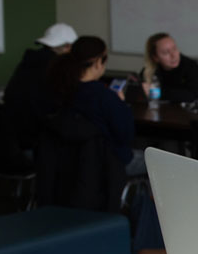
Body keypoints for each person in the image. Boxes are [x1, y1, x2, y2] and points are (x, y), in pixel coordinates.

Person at [48, 36, 143, 176]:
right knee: (156, 161)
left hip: (65, 162)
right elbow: (125, 136)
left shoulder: (59, 89)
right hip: (106, 163)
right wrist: (122, 105)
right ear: (99, 62)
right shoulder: (104, 97)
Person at [3, 22, 77, 148]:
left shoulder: (28, 62)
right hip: (39, 141)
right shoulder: (56, 69)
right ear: (67, 47)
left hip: (15, 139)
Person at [139, 33, 198, 104]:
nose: (173, 55)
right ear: (155, 58)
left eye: (174, 49)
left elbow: (195, 95)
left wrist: (157, 92)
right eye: (166, 52)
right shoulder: (150, 70)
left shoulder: (190, 65)